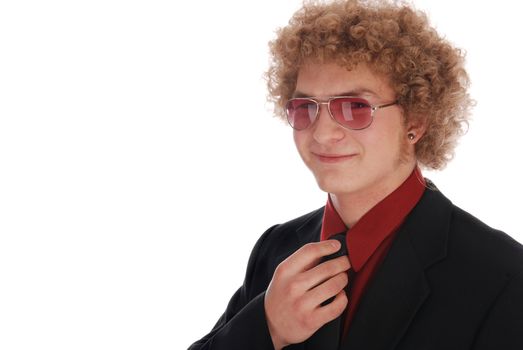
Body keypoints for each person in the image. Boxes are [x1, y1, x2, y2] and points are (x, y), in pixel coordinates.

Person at [188, 0, 523, 349]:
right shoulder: (277, 248)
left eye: (355, 108)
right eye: (305, 108)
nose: (321, 134)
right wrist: (267, 326)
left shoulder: (503, 276)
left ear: (416, 120)